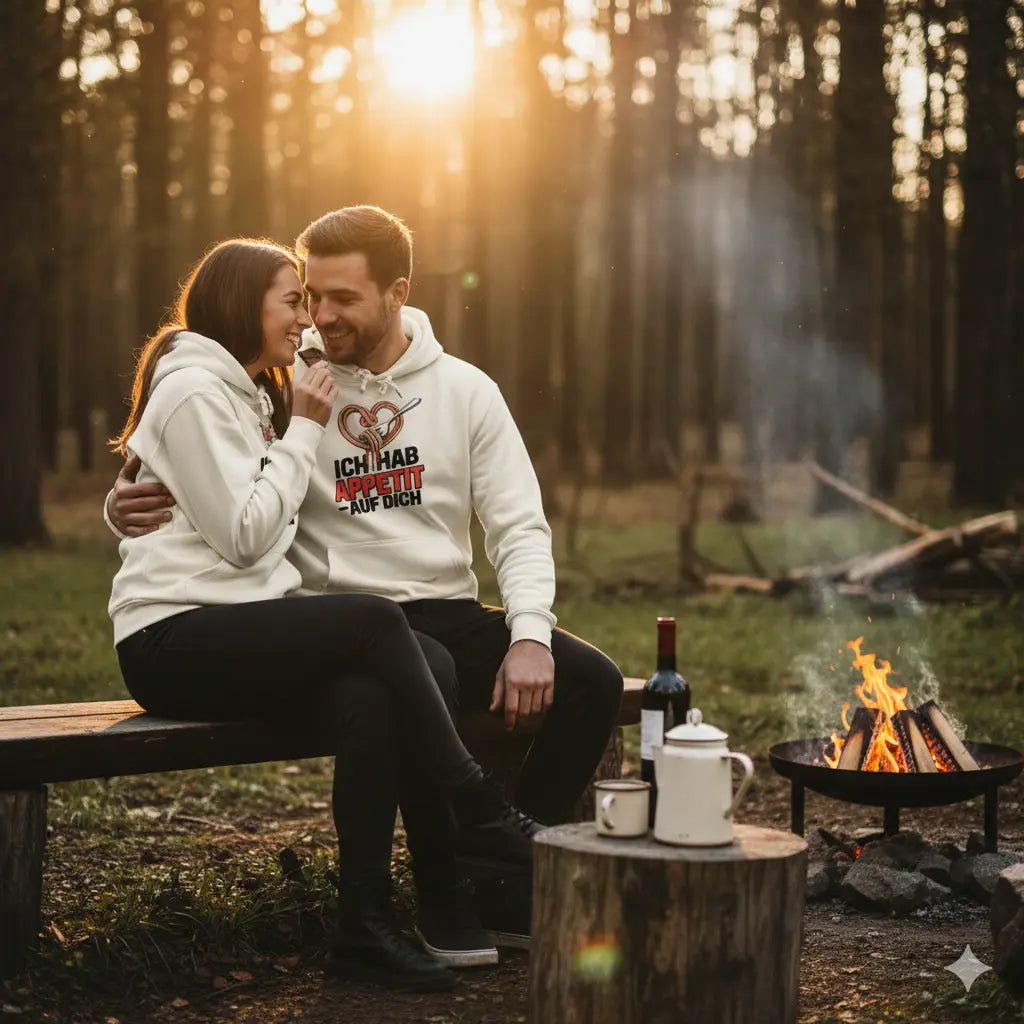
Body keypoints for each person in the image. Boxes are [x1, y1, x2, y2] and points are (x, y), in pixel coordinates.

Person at [107, 207, 624, 953]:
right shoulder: (291, 382)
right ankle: (446, 892)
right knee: (421, 670)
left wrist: (530, 634)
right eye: (311, 296)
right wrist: (118, 501)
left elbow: (517, 525)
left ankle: (498, 874)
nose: (321, 316)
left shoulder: (466, 391)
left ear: (397, 291)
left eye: (343, 299)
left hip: (443, 604)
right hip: (335, 618)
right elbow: (190, 454)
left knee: (593, 683)